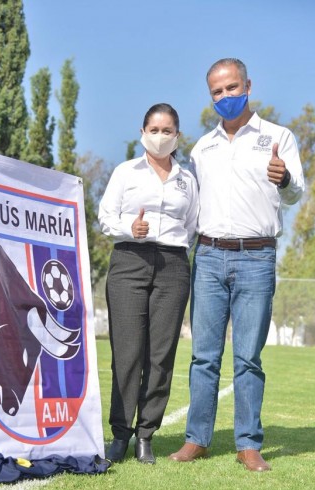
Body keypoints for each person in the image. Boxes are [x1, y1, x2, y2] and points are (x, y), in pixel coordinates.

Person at [169, 58, 305, 472]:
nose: (225, 96)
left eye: (231, 87)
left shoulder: (278, 137)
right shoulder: (202, 148)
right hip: (208, 256)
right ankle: (197, 440)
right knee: (204, 357)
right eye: (217, 91)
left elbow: (295, 193)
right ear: (210, 96)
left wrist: (284, 178)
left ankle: (248, 444)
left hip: (257, 257)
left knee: (248, 357)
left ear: (248, 86)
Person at [98, 103, 199, 464]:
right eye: (153, 130)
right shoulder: (125, 172)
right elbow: (105, 216)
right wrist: (131, 228)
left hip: (173, 266)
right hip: (129, 261)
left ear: (177, 136)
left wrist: (169, 246)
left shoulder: (188, 180)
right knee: (127, 353)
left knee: (161, 354)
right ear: (142, 133)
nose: (160, 137)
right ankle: (120, 434)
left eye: (167, 131)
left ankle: (146, 436)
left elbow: (191, 225)